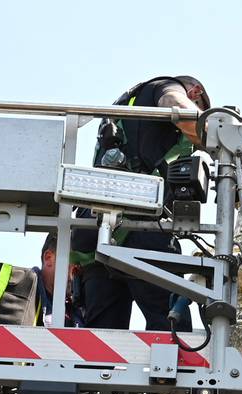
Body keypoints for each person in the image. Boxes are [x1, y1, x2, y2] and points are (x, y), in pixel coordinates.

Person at [72, 75, 211, 331]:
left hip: (95, 234)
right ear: (195, 92)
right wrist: (217, 130)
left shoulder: (126, 108)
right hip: (142, 227)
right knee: (171, 331)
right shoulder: (166, 88)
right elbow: (175, 102)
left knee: (100, 342)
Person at [33, 234, 80, 327]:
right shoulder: (21, 293)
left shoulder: (76, 311)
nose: (77, 272)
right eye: (74, 263)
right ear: (48, 258)